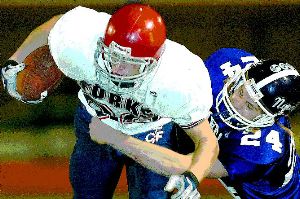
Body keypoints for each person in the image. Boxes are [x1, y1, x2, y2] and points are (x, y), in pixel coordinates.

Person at [1, 3, 219, 199]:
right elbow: (55, 26)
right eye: (112, 56)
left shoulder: (177, 78)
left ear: (151, 63)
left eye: (127, 62)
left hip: (151, 135)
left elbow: (207, 141)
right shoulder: (80, 39)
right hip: (94, 121)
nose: (115, 68)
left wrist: (192, 178)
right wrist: (15, 60)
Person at [202, 48, 300, 198]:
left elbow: (192, 166)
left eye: (250, 106)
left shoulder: (264, 151)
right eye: (241, 91)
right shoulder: (227, 60)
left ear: (265, 119)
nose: (236, 102)